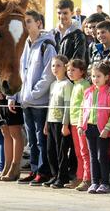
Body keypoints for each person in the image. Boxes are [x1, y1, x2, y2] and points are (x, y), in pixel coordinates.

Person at [10, 10, 56, 186]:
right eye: (24, 22)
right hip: (25, 101)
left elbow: (48, 75)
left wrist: (33, 93)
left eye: (29, 21)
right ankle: (34, 169)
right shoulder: (25, 45)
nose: (26, 25)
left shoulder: (47, 46)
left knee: (41, 137)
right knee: (32, 138)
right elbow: (20, 72)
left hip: (39, 101)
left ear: (39, 23)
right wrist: (13, 95)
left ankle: (43, 171)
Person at [78, 61, 110, 194]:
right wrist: (80, 125)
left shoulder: (109, 92)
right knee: (92, 156)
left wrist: (107, 128)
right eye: (93, 76)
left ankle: (105, 183)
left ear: (106, 77)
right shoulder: (88, 91)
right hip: (89, 128)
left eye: (98, 76)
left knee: (102, 156)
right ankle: (94, 182)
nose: (95, 79)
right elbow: (83, 110)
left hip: (102, 130)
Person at [44, 55, 74, 188]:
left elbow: (67, 105)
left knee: (61, 151)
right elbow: (50, 104)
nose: (55, 68)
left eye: (58, 65)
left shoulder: (67, 84)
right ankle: (54, 174)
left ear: (65, 67)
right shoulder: (53, 85)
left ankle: (63, 177)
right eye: (53, 66)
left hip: (61, 122)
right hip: (51, 120)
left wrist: (65, 124)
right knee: (51, 151)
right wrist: (46, 122)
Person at [67, 58, 91, 191]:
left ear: (82, 71)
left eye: (73, 70)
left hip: (82, 124)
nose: (69, 72)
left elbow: (86, 106)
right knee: (77, 152)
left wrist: (83, 123)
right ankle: (80, 176)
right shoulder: (75, 85)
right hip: (73, 122)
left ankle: (87, 178)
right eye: (68, 70)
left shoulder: (84, 85)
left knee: (84, 152)